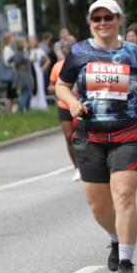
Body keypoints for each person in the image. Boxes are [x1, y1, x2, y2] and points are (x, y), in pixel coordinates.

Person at [55, 0, 137, 273]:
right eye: (97, 18)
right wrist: (72, 103)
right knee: (98, 206)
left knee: (124, 195)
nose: (103, 23)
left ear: (118, 19)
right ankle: (115, 237)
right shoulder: (79, 52)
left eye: (108, 18)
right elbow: (62, 87)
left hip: (129, 132)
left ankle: (126, 260)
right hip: (91, 135)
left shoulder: (134, 52)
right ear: (91, 22)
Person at [47, 40, 80, 180]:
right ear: (62, 50)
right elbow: (50, 87)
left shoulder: (82, 63)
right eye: (66, 47)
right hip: (64, 104)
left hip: (80, 104)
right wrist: (62, 89)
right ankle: (77, 167)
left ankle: (88, 164)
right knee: (69, 137)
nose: (69, 49)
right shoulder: (57, 66)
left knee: (83, 137)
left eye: (71, 47)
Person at [13, 37, 34, 113]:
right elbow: (24, 60)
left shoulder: (17, 53)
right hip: (25, 76)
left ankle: (26, 110)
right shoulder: (23, 53)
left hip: (21, 75)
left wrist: (17, 66)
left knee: (27, 93)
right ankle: (21, 110)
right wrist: (20, 66)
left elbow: (11, 61)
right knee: (26, 93)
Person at [0, 33, 17, 113]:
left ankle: (9, 110)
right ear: (9, 39)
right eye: (12, 38)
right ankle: (8, 111)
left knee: (11, 93)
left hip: (12, 74)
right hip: (10, 74)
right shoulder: (7, 49)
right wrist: (14, 64)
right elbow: (7, 62)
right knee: (9, 93)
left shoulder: (9, 49)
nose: (14, 39)